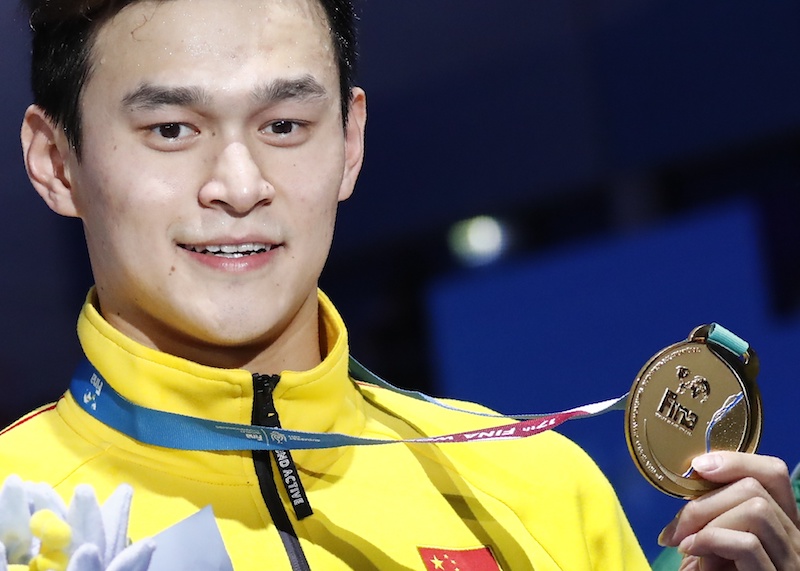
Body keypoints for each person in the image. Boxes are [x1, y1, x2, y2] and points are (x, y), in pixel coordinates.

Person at [1, 0, 797, 569]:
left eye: (284, 125)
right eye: (171, 130)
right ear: (55, 160)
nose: (239, 184)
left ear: (349, 142)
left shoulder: (539, 487)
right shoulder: (17, 515)